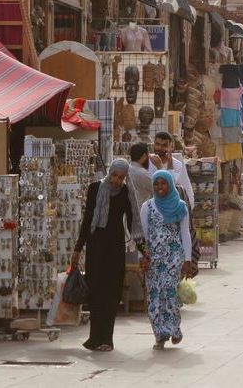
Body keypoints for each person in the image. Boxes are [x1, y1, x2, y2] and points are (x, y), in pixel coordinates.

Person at [72, 159, 137, 352]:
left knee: (110, 295)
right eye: (115, 175)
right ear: (110, 172)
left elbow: (133, 221)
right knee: (96, 293)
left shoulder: (125, 192)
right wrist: (77, 248)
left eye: (121, 177)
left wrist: (143, 248)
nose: (116, 180)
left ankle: (107, 339)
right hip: (95, 248)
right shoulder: (95, 188)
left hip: (115, 249)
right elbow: (88, 220)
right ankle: (94, 338)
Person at [139, 171, 193, 350]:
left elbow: (185, 233)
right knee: (155, 296)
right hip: (154, 259)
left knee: (169, 294)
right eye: (157, 184)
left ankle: (174, 329)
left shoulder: (180, 206)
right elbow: (144, 236)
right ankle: (160, 335)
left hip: (174, 257)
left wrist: (187, 259)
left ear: (169, 185)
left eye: (163, 184)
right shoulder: (147, 207)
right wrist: (144, 257)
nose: (160, 187)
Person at [149, 131, 195, 207]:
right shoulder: (148, 161)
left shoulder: (177, 164)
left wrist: (160, 165)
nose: (160, 148)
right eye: (157, 144)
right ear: (154, 144)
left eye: (164, 145)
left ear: (170, 147)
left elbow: (175, 184)